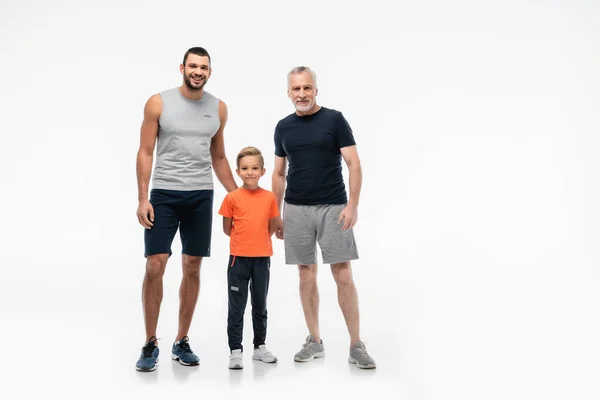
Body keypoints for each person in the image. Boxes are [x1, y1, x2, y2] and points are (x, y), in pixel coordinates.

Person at [134, 47, 238, 372]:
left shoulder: (218, 109)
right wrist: (142, 197)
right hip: (164, 194)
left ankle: (181, 341)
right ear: (182, 67)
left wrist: (237, 196)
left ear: (209, 71)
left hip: (200, 196)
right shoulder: (159, 102)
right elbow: (145, 151)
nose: (198, 71)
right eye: (193, 65)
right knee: (155, 265)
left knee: (192, 266)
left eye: (203, 67)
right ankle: (151, 342)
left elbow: (219, 157)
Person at [271, 66, 376, 369]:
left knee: (342, 275)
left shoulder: (334, 120)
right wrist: (276, 215)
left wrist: (352, 205)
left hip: (333, 207)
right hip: (296, 209)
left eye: (306, 88)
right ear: (289, 92)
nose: (301, 94)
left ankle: (356, 344)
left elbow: (354, 163)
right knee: (306, 274)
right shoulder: (283, 127)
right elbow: (279, 173)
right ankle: (315, 340)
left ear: (316, 89)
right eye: (296, 89)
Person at [218, 146, 280, 369]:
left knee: (260, 304)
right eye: (245, 168)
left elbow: (272, 226)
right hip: (238, 259)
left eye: (254, 168)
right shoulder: (232, 198)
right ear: (238, 171)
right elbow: (228, 229)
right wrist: (244, 243)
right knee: (236, 306)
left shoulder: (269, 198)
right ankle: (235, 350)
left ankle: (259, 347)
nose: (250, 172)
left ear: (263, 171)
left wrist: (258, 243)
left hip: (262, 258)